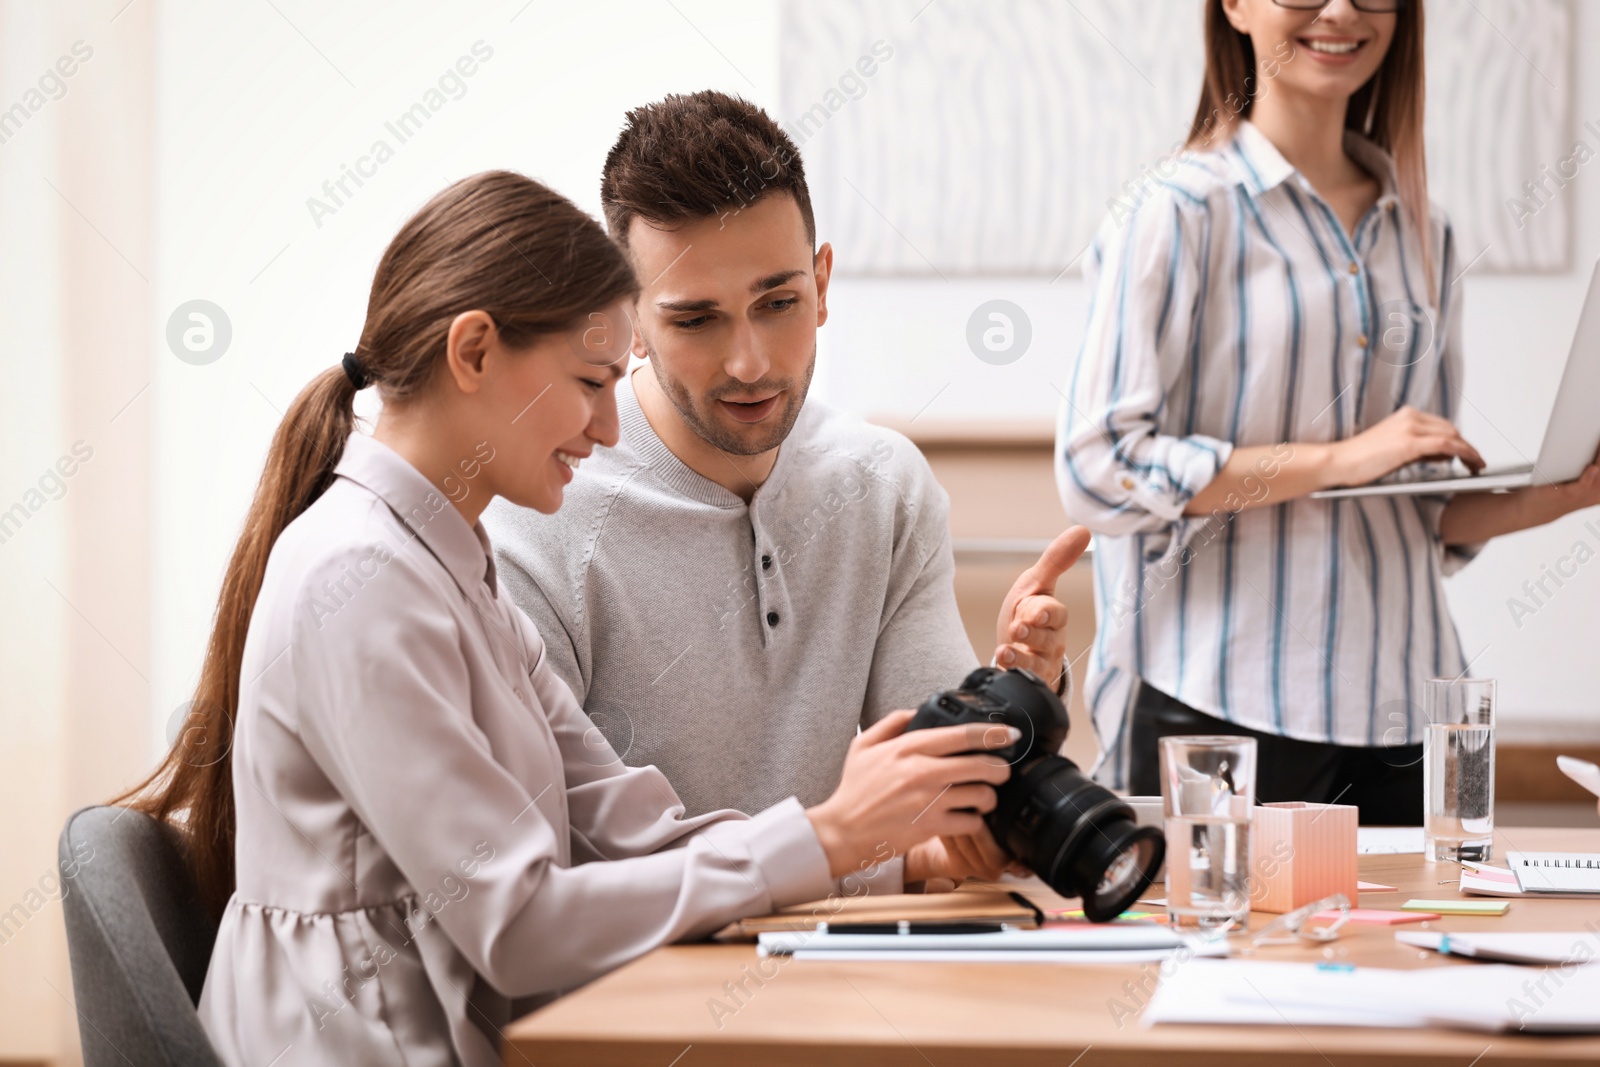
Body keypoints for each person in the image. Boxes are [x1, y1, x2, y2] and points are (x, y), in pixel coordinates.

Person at [117, 172, 1017, 1066]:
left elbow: (635, 830)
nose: (609, 428)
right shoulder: (361, 577)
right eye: (591, 380)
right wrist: (826, 833)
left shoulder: (452, 568)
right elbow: (517, 924)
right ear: (473, 352)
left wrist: (878, 854)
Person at [482, 91, 1091, 891]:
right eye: (696, 320)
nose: (750, 362)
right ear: (626, 320)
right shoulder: (541, 517)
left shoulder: (884, 487)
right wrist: (869, 859)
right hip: (637, 997)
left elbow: (936, 809)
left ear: (823, 281)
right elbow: (563, 882)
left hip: (839, 979)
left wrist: (1018, 695)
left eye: (779, 304)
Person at [1059, 0, 1600, 822]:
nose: (1342, 10)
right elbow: (1101, 468)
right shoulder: (1174, 212)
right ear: (1235, 7)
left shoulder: (1427, 233)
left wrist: (1566, 491)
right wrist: (1341, 458)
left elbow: (1418, 512)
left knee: (1427, 948)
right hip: (1216, 708)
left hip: (1410, 713)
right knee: (1215, 951)